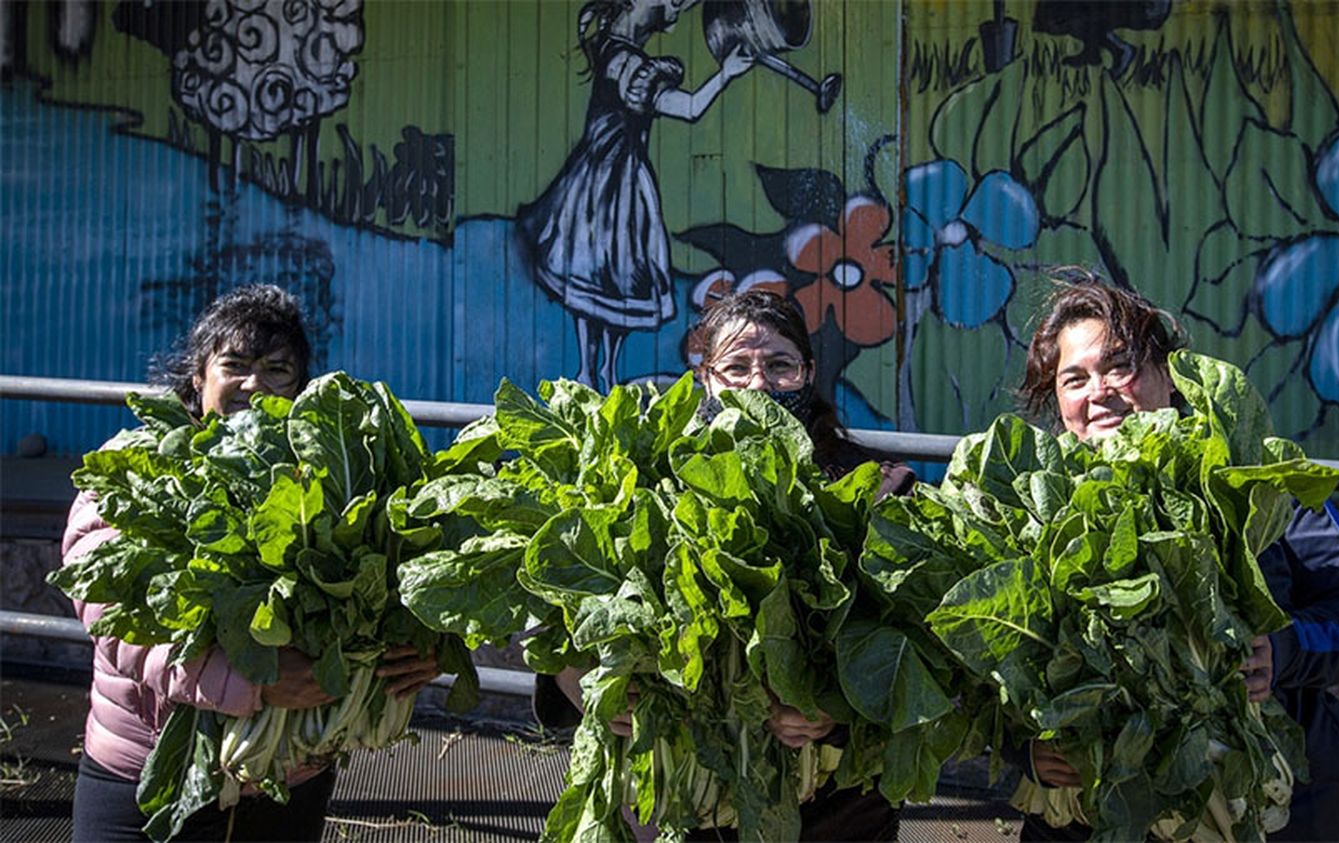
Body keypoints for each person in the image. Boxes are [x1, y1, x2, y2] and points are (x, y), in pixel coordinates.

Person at [1010, 275, 1339, 842]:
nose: (1099, 391)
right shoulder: (1030, 506)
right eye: (1075, 378)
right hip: (1097, 815)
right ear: (1058, 400)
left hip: (1273, 813)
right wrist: (1026, 750)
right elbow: (988, 673)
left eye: (1120, 366)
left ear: (1169, 372)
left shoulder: (1256, 478)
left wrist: (1283, 650)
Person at [62, 284, 439, 842]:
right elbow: (112, 611)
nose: (253, 384)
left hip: (292, 774)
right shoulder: (131, 465)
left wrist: (422, 646)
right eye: (233, 365)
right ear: (198, 377)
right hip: (143, 764)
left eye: (276, 369)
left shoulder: (332, 479)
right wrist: (252, 685)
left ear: (301, 385)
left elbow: (410, 584)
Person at [533, 290, 915, 840]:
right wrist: (589, 683)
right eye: (737, 367)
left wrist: (832, 712)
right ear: (706, 379)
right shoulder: (647, 482)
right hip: (693, 793)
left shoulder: (878, 488)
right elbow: (553, 605)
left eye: (779, 366)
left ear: (807, 374)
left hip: (835, 807)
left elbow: (911, 637)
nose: (758, 384)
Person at [515, 0, 754, 391]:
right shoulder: (627, 64)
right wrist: (725, 74)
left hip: (600, 180)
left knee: (608, 272)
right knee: (611, 270)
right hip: (614, 185)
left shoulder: (612, 49)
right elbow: (689, 108)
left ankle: (597, 372)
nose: (678, 7)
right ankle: (597, 371)